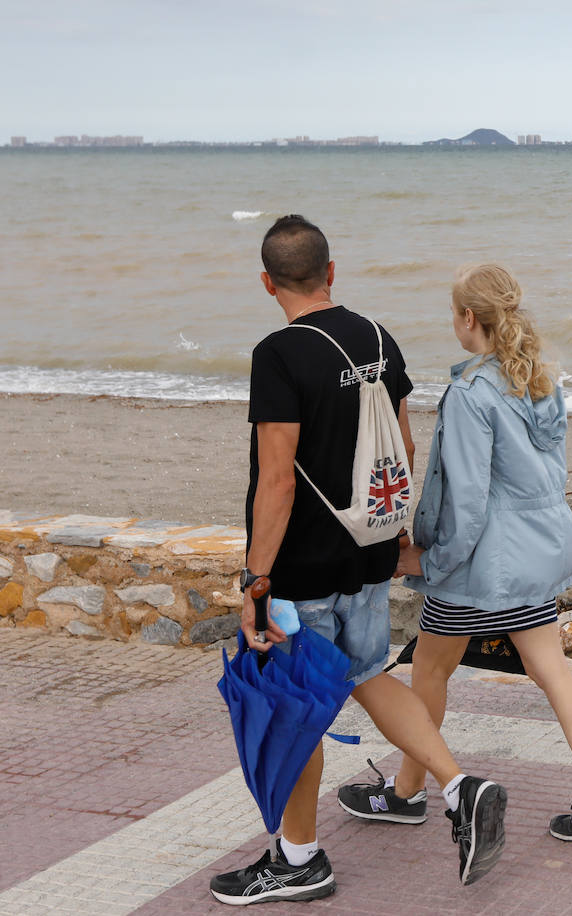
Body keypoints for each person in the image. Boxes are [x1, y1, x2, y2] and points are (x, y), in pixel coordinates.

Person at [210, 216, 507, 906]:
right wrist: (389, 536)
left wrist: (256, 578)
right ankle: (461, 787)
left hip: (305, 568)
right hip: (370, 549)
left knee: (291, 709)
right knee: (371, 672)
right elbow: (401, 449)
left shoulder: (278, 355)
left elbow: (278, 479)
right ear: (331, 272)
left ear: (266, 283)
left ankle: (300, 859)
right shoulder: (376, 336)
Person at [336, 263, 572, 843]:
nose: (453, 322)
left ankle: (407, 793)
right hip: (535, 557)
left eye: (454, 313)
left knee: (429, 672)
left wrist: (432, 561)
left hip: (480, 566)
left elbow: (466, 502)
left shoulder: (470, 394)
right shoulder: (540, 379)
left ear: (469, 318)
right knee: (553, 672)